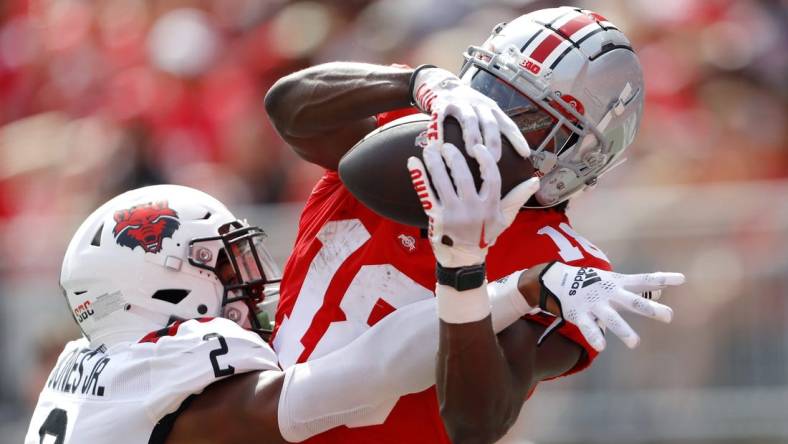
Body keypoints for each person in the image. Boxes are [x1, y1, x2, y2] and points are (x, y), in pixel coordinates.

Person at [265, 6, 663, 443]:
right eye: (488, 88)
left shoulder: (565, 267)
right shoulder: (399, 144)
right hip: (256, 422)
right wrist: (418, 81)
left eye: (528, 117)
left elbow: (476, 423)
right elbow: (286, 107)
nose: (491, 119)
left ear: (581, 153)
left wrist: (465, 274)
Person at [25, 183, 680, 443]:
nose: (250, 288)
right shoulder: (173, 368)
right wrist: (508, 288)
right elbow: (355, 378)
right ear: (154, 284)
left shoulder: (98, 361)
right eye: (224, 268)